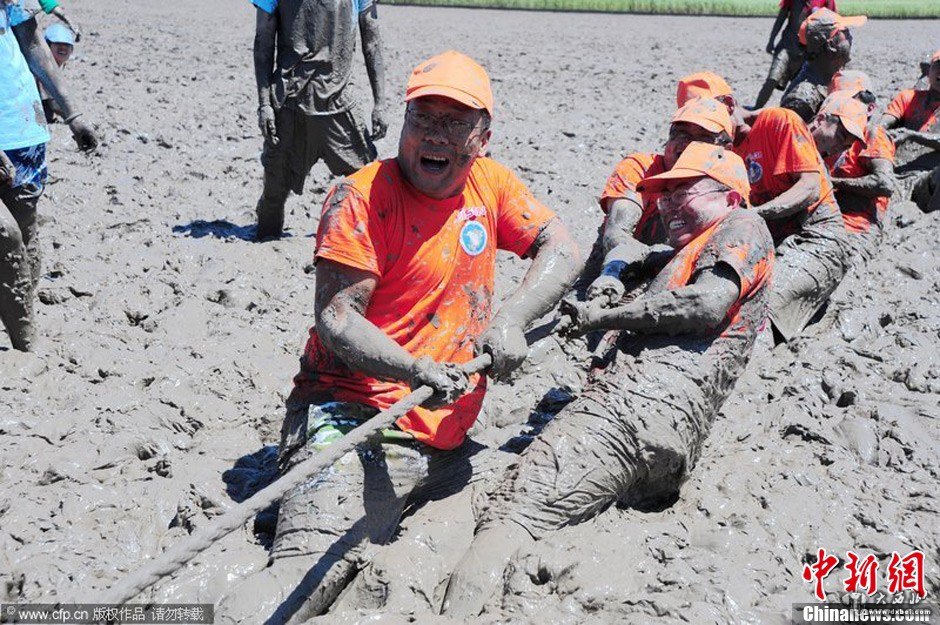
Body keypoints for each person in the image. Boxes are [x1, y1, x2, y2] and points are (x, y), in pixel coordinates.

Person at [216, 50, 581, 624]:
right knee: (305, 578)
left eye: (454, 123)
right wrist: (413, 370)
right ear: (403, 124)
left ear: (483, 138)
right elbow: (338, 319)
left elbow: (561, 247)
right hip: (353, 416)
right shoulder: (360, 197)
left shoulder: (491, 184)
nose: (435, 135)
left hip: (444, 435)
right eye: (422, 118)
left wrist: (512, 319)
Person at [441, 143, 774, 618]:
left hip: (638, 407)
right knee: (532, 494)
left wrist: (603, 317)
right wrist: (623, 269)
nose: (669, 205)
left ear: (731, 197)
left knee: (516, 508)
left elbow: (705, 304)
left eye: (684, 191)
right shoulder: (697, 245)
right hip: (653, 420)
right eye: (664, 195)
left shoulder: (744, 227)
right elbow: (648, 258)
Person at [678, 71, 852, 342]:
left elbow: (809, 188)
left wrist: (754, 215)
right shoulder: (722, 152)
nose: (704, 135)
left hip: (817, 237)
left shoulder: (779, 121)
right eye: (693, 130)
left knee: (759, 312)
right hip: (770, 240)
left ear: (729, 106)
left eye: (708, 123)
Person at [1, 0, 97, 351]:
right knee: (6, 235)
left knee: (25, 240)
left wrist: (73, 115)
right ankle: (26, 347)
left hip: (23, 132)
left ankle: (23, 353)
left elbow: (32, 44)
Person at [250, 0, 388, 240]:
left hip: (338, 105)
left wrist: (380, 103)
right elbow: (263, 42)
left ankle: (370, 247)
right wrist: (264, 105)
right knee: (274, 193)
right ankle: (264, 247)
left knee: (369, 185)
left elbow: (372, 40)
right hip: (290, 104)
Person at [585, 96, 735, 305]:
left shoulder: (729, 186)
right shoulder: (641, 168)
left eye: (703, 137)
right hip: (613, 273)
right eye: (681, 133)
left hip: (682, 286)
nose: (688, 144)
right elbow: (616, 233)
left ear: (726, 150)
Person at [819, 74, 895, 259]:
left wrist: (832, 182)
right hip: (824, 216)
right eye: (837, 100)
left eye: (849, 100)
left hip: (857, 224)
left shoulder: (872, 134)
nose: (842, 105)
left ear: (869, 108)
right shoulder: (827, 129)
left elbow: (885, 184)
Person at [781, 9, 867, 121]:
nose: (851, 37)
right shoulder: (803, 99)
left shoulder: (828, 78)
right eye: (845, 32)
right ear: (831, 45)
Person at [880, 50, 940, 212]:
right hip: (895, 174)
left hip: (928, 179)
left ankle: (933, 219)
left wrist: (912, 135)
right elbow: (882, 125)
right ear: (928, 71)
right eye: (938, 66)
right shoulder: (909, 97)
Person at [753, 0, 837, 109]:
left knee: (797, 89)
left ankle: (785, 112)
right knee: (772, 79)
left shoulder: (827, 1)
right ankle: (756, 109)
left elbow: (833, 24)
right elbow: (781, 18)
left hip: (808, 53)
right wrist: (771, 40)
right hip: (786, 47)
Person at [37, 23, 76, 122]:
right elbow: (54, 103)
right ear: (47, 46)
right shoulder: (44, 66)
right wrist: (74, 117)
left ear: (72, 50)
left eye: (67, 44)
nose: (63, 47)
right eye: (58, 43)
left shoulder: (55, 66)